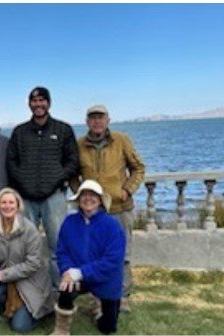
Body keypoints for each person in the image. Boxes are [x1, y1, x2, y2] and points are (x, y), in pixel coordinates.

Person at [72, 104, 145, 313]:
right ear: (87, 122)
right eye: (92, 117)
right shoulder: (79, 145)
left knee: (122, 254)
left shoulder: (121, 140)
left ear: (108, 120)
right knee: (94, 255)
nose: (97, 121)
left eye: (100, 117)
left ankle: (122, 297)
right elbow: (72, 174)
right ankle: (98, 300)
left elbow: (138, 168)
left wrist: (128, 190)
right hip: (93, 212)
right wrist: (81, 196)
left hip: (119, 208)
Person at [6, 86, 79, 285]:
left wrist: (57, 178)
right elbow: (11, 162)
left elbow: (73, 161)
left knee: (58, 247)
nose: (38, 105)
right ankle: (28, 292)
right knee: (23, 248)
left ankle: (59, 291)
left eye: (42, 100)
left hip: (53, 197)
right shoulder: (20, 132)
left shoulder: (63, 130)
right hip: (26, 199)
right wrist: (22, 183)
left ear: (49, 103)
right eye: (34, 101)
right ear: (29, 104)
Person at [52, 180, 126, 335]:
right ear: (78, 199)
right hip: (76, 275)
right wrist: (67, 271)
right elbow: (62, 251)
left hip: (105, 278)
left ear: (100, 200)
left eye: (93, 195)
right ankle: (61, 329)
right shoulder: (69, 222)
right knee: (66, 288)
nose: (88, 199)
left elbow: (112, 261)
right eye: (84, 195)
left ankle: (99, 306)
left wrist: (80, 272)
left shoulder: (112, 225)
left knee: (108, 328)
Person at [0, 187, 55, 333]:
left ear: (18, 206)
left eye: (11, 202)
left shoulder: (29, 229)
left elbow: (33, 264)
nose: (7, 206)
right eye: (3, 202)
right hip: (9, 279)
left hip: (30, 282)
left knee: (19, 327)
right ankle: (11, 306)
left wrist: (1, 275)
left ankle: (42, 311)